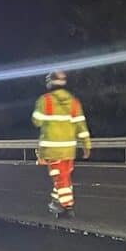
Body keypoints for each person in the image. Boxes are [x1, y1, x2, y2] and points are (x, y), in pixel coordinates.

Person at [32, 71, 90, 215]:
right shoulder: (74, 102)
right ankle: (56, 202)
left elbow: (36, 121)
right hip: (69, 149)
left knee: (60, 178)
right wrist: (86, 145)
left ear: (49, 83)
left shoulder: (45, 100)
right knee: (63, 177)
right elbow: (81, 126)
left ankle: (67, 207)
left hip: (52, 149)